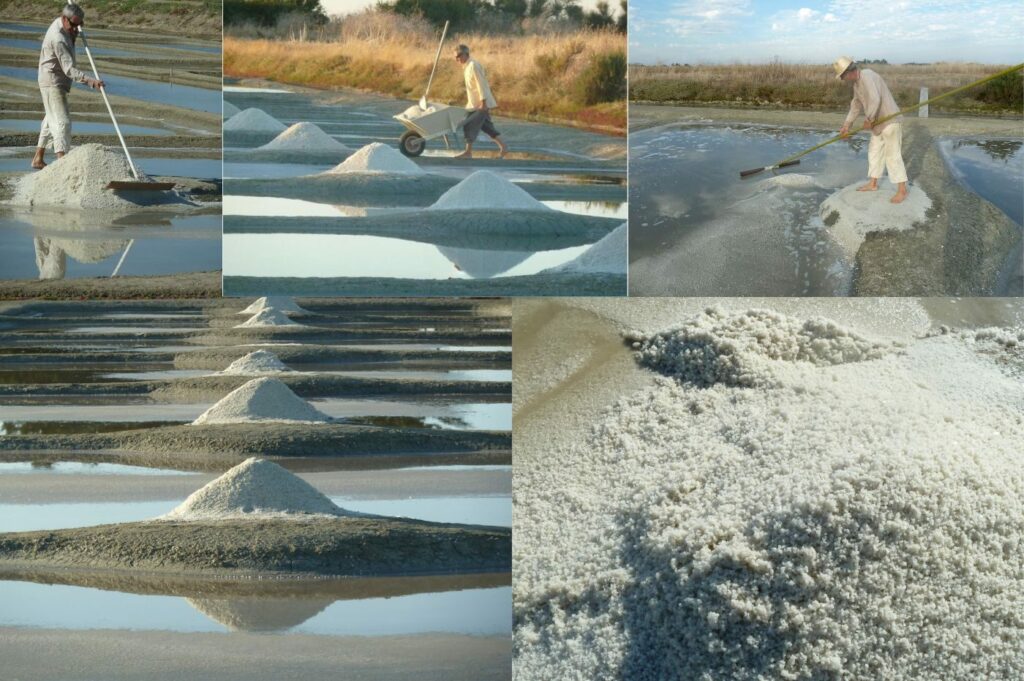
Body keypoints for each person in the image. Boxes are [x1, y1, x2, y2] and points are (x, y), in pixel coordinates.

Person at [32, 3, 104, 170]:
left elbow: (70, 37)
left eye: (79, 25)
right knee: (62, 122)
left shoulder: (65, 27)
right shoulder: (58, 38)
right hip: (52, 82)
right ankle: (62, 164)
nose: (76, 29)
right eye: (73, 25)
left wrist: (75, 32)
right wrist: (91, 81)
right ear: (64, 19)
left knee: (50, 121)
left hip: (55, 80)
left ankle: (38, 158)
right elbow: (68, 69)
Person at [834, 57, 908, 204]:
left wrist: (869, 119)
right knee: (874, 152)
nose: (843, 79)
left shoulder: (867, 75)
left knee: (892, 155)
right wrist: (846, 125)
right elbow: (855, 106)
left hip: (889, 121)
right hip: (877, 124)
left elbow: (875, 99)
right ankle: (873, 184)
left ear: (849, 71)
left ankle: (902, 190)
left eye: (843, 76)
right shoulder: (856, 85)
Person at [454, 44, 508, 159]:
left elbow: (481, 84)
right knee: (487, 127)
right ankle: (504, 147)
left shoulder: (473, 65)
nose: (457, 59)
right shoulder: (467, 66)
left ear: (465, 54)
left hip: (479, 104)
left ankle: (468, 152)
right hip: (475, 103)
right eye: (455, 57)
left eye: (458, 56)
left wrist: (483, 102)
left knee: (469, 124)